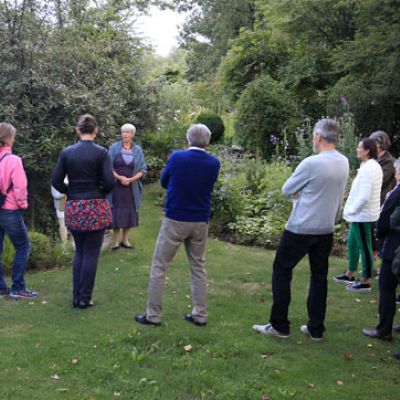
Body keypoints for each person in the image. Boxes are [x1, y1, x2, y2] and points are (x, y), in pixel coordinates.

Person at [253, 118, 349, 341]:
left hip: (301, 227)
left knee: (281, 270)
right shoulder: (344, 162)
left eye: (314, 135)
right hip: (326, 228)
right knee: (319, 277)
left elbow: (287, 189)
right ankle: (316, 328)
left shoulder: (311, 163)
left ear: (318, 136)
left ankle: (279, 325)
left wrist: (302, 192)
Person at [135, 124, 220, 326]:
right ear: (207, 141)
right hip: (200, 220)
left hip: (176, 218)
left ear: (189, 139)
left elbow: (164, 181)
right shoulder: (214, 162)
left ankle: (153, 315)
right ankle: (200, 315)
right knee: (198, 267)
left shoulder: (177, 157)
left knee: (159, 266)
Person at [52, 114, 115, 309]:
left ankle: (76, 296)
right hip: (95, 206)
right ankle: (84, 298)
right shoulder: (101, 153)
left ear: (77, 130)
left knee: (80, 251)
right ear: (95, 130)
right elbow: (110, 181)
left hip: (75, 206)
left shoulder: (67, 153)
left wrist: (70, 191)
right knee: (91, 253)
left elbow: (56, 180)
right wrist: (99, 192)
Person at [362, 159, 400, 360]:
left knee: (386, 286)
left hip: (394, 246)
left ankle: (384, 329)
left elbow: (386, 216)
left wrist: (380, 233)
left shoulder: (397, 192)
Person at [333, 138, 383, 292]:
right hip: (361, 215)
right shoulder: (369, 166)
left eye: (359, 147)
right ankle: (350, 274)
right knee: (352, 243)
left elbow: (364, 197)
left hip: (362, 216)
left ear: (367, 151)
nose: (357, 149)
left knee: (364, 247)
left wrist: (351, 211)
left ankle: (365, 282)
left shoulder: (369, 169)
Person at [0, 122, 37, 298]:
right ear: (8, 140)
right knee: (23, 246)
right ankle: (18, 287)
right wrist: (22, 205)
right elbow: (20, 187)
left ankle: (1, 288)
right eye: (13, 137)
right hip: (9, 210)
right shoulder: (13, 160)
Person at [108, 124, 147, 250]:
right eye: (123, 132)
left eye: (128, 132)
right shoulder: (114, 148)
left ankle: (125, 240)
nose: (125, 134)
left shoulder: (138, 150)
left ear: (133, 134)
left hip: (131, 188)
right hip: (116, 187)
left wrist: (131, 179)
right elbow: (108, 167)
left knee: (129, 212)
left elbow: (143, 169)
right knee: (116, 211)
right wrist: (120, 178)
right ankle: (116, 242)